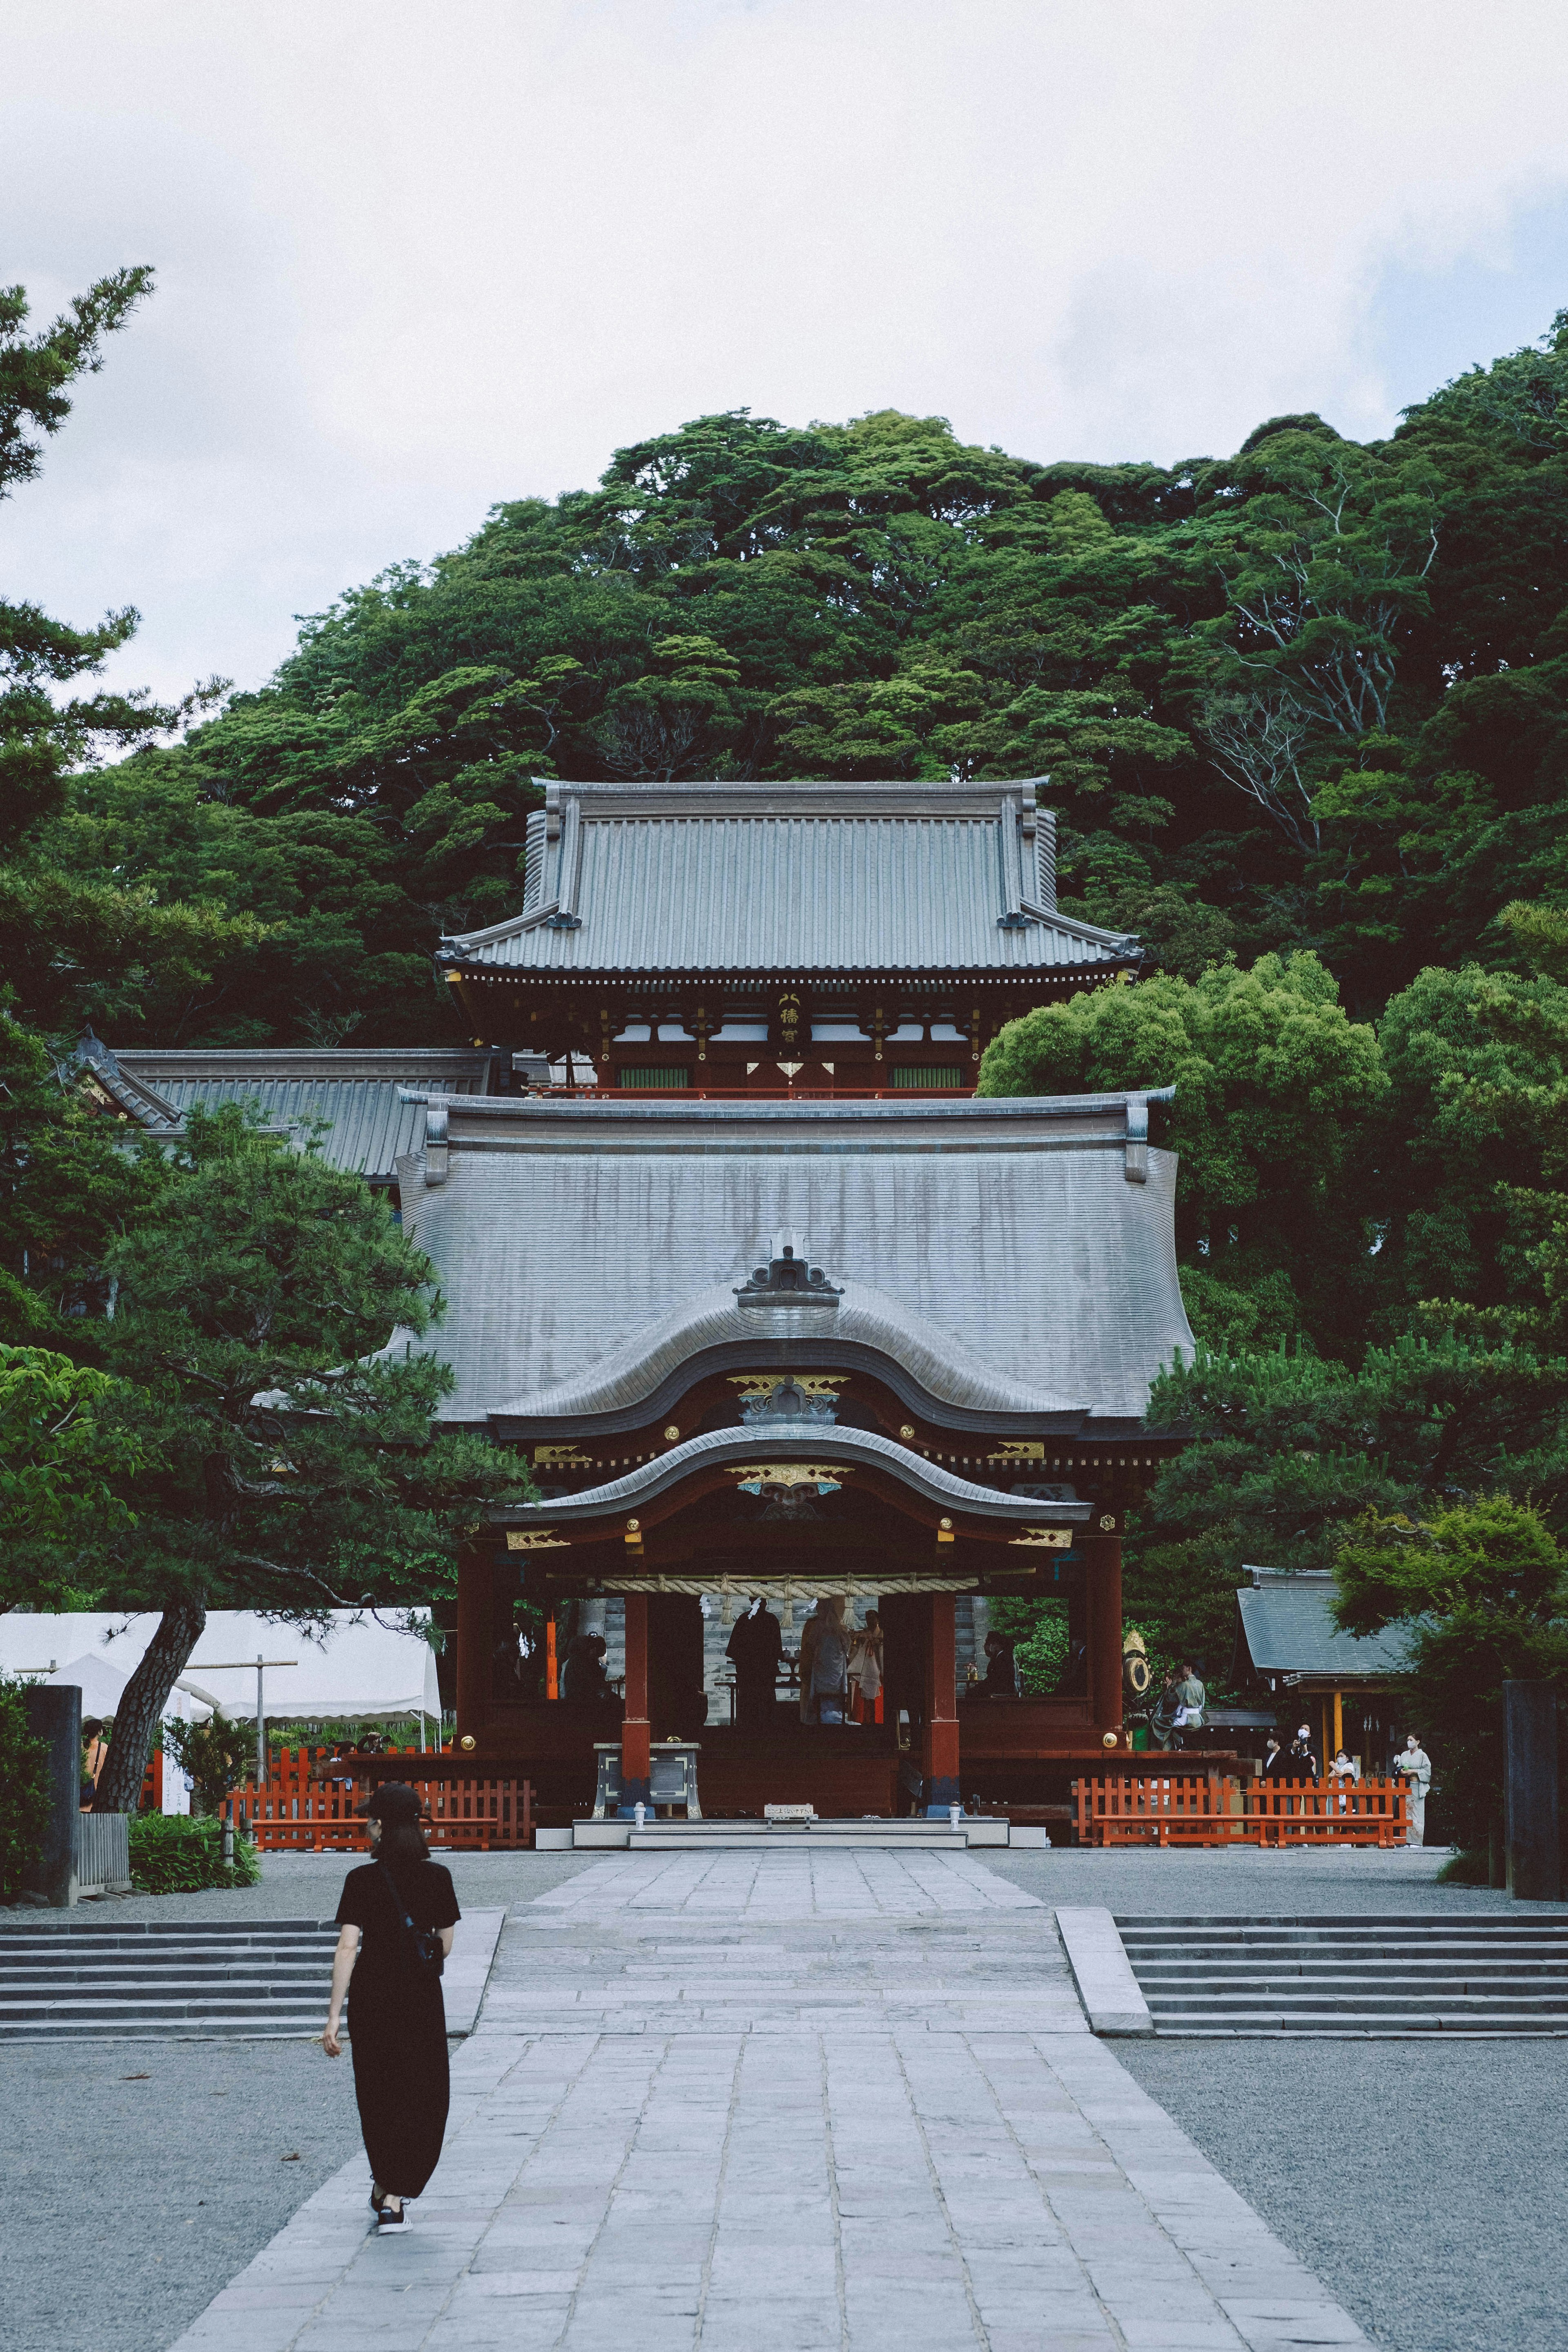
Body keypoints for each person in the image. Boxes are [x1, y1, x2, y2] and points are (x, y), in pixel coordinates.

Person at [323, 1782, 461, 2230]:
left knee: (378, 2090)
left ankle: (387, 2183)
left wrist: (333, 2017)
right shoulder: (437, 1876)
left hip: (372, 1997)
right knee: (422, 2089)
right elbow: (445, 1943)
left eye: (370, 1819)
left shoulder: (360, 1880)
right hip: (421, 1997)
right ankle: (396, 2192)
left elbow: (348, 1948)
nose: (367, 1827)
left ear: (381, 1825)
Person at [727, 1599, 783, 1728]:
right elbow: (777, 1649)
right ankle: (766, 1725)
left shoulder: (744, 1619)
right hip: (763, 1670)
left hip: (749, 1669)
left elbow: (735, 1649)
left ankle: (748, 1725)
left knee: (749, 1699)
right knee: (764, 1699)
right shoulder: (771, 1620)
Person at [809, 1596, 851, 1725]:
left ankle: (825, 1718)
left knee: (823, 1694)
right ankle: (834, 1717)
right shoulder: (839, 1626)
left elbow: (811, 1643)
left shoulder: (818, 1626)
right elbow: (847, 1645)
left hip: (824, 1665)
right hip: (834, 1666)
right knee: (832, 1694)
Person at [1394, 1733, 1432, 1846]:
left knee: (1417, 1813)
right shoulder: (1404, 1755)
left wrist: (1413, 1771)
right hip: (1406, 1785)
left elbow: (1427, 1771)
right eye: (1408, 1740)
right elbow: (1399, 1767)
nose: (1409, 1742)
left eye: (1411, 1740)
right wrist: (1401, 1771)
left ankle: (1416, 1841)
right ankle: (1406, 1840)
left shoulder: (1422, 1755)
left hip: (1417, 1785)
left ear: (1418, 1742)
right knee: (1406, 1813)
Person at [850, 1610, 883, 1724]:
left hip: (878, 1669)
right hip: (865, 1668)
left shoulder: (882, 1634)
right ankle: (864, 1720)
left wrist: (877, 1643)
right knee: (864, 1699)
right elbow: (854, 1649)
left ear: (878, 1619)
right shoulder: (863, 1634)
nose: (870, 1621)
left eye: (872, 1618)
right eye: (868, 1618)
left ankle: (878, 1719)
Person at [1169, 1660, 1207, 1748]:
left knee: (1172, 1727)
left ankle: (1179, 1747)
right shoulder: (1200, 1684)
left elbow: (1171, 1699)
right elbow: (1202, 1704)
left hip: (1187, 1718)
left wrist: (1170, 1687)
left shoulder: (1183, 1685)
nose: (1182, 1671)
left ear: (1189, 1669)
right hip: (1199, 1719)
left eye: (1183, 1668)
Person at [980, 1631, 1017, 1699]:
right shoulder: (1002, 1658)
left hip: (1001, 1694)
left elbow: (994, 1681)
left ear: (995, 1645)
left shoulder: (1003, 1659)